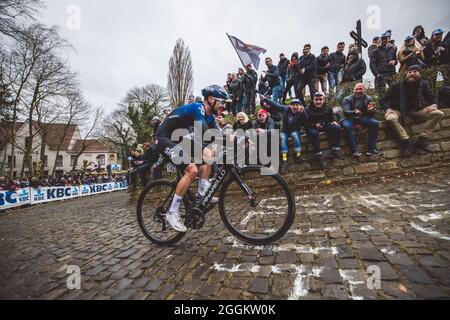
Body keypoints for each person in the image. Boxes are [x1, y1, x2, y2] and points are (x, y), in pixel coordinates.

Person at [155, 85, 229, 232]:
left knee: (208, 154)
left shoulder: (210, 116)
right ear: (210, 99)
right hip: (164, 138)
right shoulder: (197, 108)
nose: (224, 105)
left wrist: (242, 139)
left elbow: (219, 133)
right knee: (191, 169)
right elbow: (208, 134)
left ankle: (202, 191)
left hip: (180, 138)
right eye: (222, 101)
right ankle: (172, 212)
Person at [382, 65, 444, 157]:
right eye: (410, 72)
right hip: (398, 110)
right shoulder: (396, 85)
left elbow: (431, 97)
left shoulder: (423, 84)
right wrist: (387, 109)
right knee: (390, 119)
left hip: (415, 109)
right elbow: (383, 99)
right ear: (407, 74)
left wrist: (433, 105)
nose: (412, 74)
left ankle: (422, 139)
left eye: (415, 72)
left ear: (419, 74)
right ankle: (406, 142)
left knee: (438, 113)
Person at [260, 96, 308, 168]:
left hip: (295, 130)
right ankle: (284, 159)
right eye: (293, 105)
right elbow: (275, 104)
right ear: (290, 105)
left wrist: (303, 112)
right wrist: (264, 99)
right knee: (282, 138)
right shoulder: (285, 109)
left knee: (295, 135)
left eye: (297, 105)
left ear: (300, 106)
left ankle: (298, 155)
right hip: (285, 131)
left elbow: (306, 118)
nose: (295, 107)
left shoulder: (301, 112)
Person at [340, 83, 382, 158]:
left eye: (360, 89)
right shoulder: (347, 99)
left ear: (364, 90)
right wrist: (354, 111)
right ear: (354, 90)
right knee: (347, 127)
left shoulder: (368, 98)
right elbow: (346, 111)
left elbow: (369, 114)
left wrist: (371, 110)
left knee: (375, 123)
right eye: (356, 89)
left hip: (361, 117)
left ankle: (371, 149)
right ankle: (354, 151)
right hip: (348, 118)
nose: (358, 91)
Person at [306, 91, 342, 168]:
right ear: (313, 100)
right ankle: (319, 156)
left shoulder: (328, 109)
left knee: (337, 128)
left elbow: (331, 119)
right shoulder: (308, 110)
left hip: (325, 125)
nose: (318, 101)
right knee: (314, 134)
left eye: (320, 99)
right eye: (316, 100)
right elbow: (304, 123)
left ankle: (335, 151)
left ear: (323, 100)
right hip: (312, 127)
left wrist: (334, 122)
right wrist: (314, 125)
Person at [370, 31, 398, 97]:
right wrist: (377, 74)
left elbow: (396, 60)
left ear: (389, 39)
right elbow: (372, 64)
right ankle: (383, 107)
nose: (384, 40)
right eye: (382, 39)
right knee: (381, 94)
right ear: (380, 40)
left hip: (392, 73)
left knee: (395, 92)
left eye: (386, 38)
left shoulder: (393, 49)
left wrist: (394, 61)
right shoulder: (375, 51)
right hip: (381, 74)